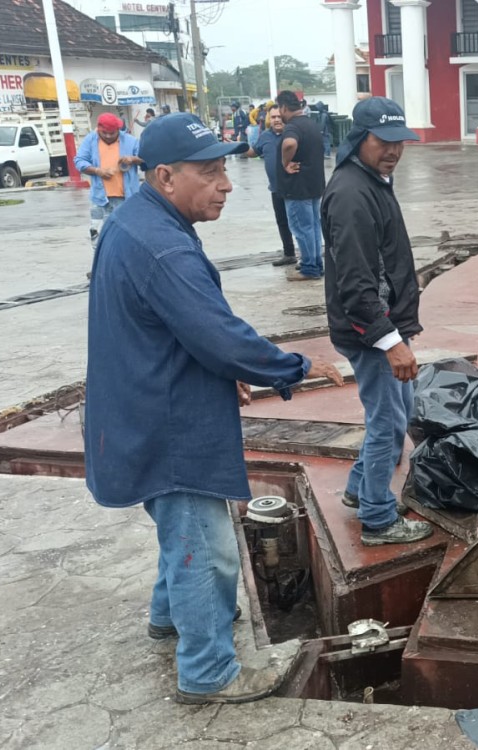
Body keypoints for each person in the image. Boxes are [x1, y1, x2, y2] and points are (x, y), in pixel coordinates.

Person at [84, 112, 344, 704]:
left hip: (141, 401)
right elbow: (218, 335)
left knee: (179, 530)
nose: (226, 184)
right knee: (205, 544)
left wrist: (220, 373)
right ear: (166, 176)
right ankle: (208, 674)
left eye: (225, 169)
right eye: (210, 172)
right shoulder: (162, 247)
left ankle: (168, 619)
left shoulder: (136, 222)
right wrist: (291, 366)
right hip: (169, 421)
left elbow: (169, 327)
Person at [323, 96, 432, 546]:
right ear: (360, 139)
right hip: (370, 332)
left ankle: (358, 490)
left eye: (399, 142)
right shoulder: (352, 194)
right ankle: (378, 520)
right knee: (387, 422)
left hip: (383, 326)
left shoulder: (371, 181)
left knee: (397, 412)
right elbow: (356, 283)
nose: (393, 151)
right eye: (383, 141)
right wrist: (391, 341)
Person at [276, 91, 326, 281]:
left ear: (283, 107)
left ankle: (309, 268)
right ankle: (316, 264)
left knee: (301, 228)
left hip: (297, 188)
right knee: (313, 227)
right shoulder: (310, 124)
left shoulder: (293, 127)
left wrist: (284, 162)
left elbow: (289, 144)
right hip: (313, 186)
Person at [74, 113, 141, 249]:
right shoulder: (90, 140)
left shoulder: (130, 141)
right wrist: (98, 171)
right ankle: (100, 268)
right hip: (100, 199)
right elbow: (79, 161)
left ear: (118, 129)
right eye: (104, 133)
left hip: (126, 198)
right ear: (98, 129)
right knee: (97, 234)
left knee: (127, 234)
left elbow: (146, 158)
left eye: (112, 133)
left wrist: (133, 159)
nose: (109, 136)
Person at [247, 105, 297, 267]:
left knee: (300, 224)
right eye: (273, 117)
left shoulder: (292, 134)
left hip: (294, 188)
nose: (276, 120)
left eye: (278, 116)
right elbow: (253, 152)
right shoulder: (266, 136)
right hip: (276, 189)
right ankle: (289, 254)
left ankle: (310, 257)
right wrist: (235, 146)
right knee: (282, 222)